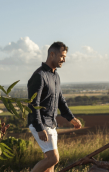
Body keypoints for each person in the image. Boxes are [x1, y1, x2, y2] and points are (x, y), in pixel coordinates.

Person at [28, 41, 82, 172]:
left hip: (51, 123)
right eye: (62, 56)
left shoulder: (55, 76)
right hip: (40, 123)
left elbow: (60, 100)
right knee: (53, 158)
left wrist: (71, 118)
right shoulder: (39, 76)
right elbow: (34, 104)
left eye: (65, 57)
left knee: (50, 165)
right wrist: (40, 128)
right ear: (52, 54)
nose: (64, 60)